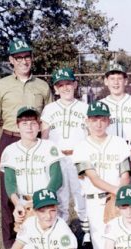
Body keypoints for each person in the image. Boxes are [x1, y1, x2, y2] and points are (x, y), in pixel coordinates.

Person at [0, 38, 52, 249]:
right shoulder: (1, 85)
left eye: (27, 56)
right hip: (10, 139)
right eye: (19, 57)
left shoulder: (42, 86)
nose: (24, 61)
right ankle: (10, 245)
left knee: (38, 187)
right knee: (9, 193)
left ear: (32, 58)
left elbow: (49, 119)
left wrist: (47, 146)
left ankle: (41, 237)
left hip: (36, 140)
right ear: (11, 60)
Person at [72, 101, 131, 249]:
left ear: (109, 121)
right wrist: (118, 191)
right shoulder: (81, 147)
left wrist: (120, 195)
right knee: (99, 238)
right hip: (95, 200)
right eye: (94, 120)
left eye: (102, 120)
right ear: (87, 121)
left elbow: (125, 174)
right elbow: (93, 178)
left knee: (121, 236)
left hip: (116, 198)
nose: (98, 124)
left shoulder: (118, 143)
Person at [0, 106, 63, 249]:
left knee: (50, 244)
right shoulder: (10, 150)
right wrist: (17, 204)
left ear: (39, 126)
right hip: (23, 203)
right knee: (27, 248)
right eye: (24, 123)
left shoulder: (49, 147)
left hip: (45, 203)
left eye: (33, 123)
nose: (29, 127)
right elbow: (10, 183)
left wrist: (42, 202)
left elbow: (57, 178)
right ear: (18, 126)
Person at [41, 68, 87, 226]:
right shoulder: (49, 109)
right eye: (61, 85)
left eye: (68, 83)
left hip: (78, 157)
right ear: (55, 88)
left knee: (81, 193)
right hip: (57, 158)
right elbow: (44, 136)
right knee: (60, 196)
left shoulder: (84, 108)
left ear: (75, 84)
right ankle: (62, 229)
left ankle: (86, 233)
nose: (65, 88)